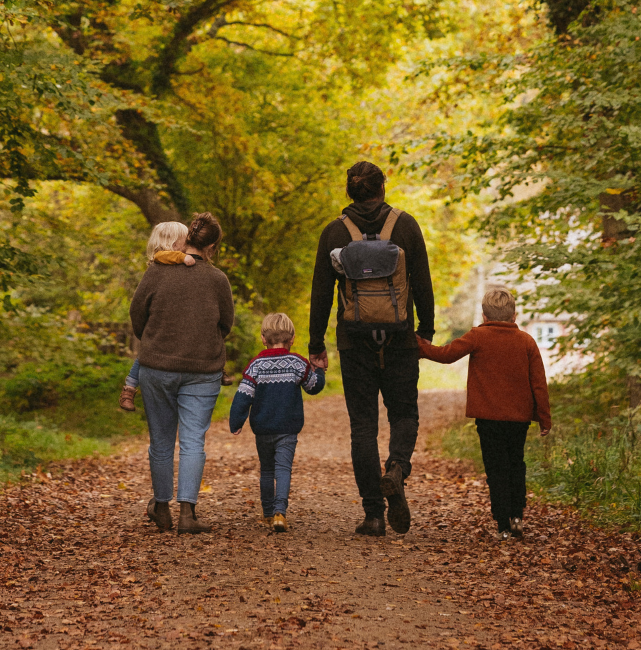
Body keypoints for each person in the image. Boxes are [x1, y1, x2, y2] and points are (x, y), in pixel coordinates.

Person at [308, 161, 435, 537]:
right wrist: (424, 331)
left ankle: (373, 515)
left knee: (363, 425)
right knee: (404, 413)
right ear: (383, 187)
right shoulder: (406, 225)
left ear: (350, 191)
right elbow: (422, 283)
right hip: (398, 337)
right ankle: (396, 468)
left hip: (355, 339)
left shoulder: (335, 231)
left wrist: (317, 344)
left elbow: (321, 292)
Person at [416, 287, 552, 540]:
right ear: (514, 315)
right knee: (516, 464)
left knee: (496, 468)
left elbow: (446, 355)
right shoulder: (527, 341)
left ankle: (502, 524)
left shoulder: (478, 336)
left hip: (488, 419)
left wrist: (420, 347)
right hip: (518, 419)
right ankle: (517, 515)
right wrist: (544, 417)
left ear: (485, 315)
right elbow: (539, 383)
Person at [128, 212, 234, 534]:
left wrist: (157, 339)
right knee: (192, 441)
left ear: (188, 237)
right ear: (212, 245)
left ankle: (161, 507)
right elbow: (226, 324)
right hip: (202, 369)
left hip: (157, 368)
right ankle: (188, 514)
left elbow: (137, 316)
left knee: (160, 441)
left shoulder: (157, 271)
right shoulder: (217, 280)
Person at [229, 313, 325, 532]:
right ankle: (280, 513)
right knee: (283, 468)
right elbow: (313, 387)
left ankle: (267, 514)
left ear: (264, 339)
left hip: (262, 429)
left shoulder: (256, 365)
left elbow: (243, 396)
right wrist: (319, 370)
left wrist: (236, 421)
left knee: (266, 470)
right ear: (291, 339)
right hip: (288, 428)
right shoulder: (297, 363)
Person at [120, 222, 195, 413]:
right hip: (159, 335)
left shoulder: (166, 263)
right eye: (185, 240)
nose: (188, 243)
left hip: (161, 334)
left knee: (144, 355)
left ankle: (129, 387)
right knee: (144, 355)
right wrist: (185, 257)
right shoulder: (163, 258)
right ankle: (129, 388)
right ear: (173, 243)